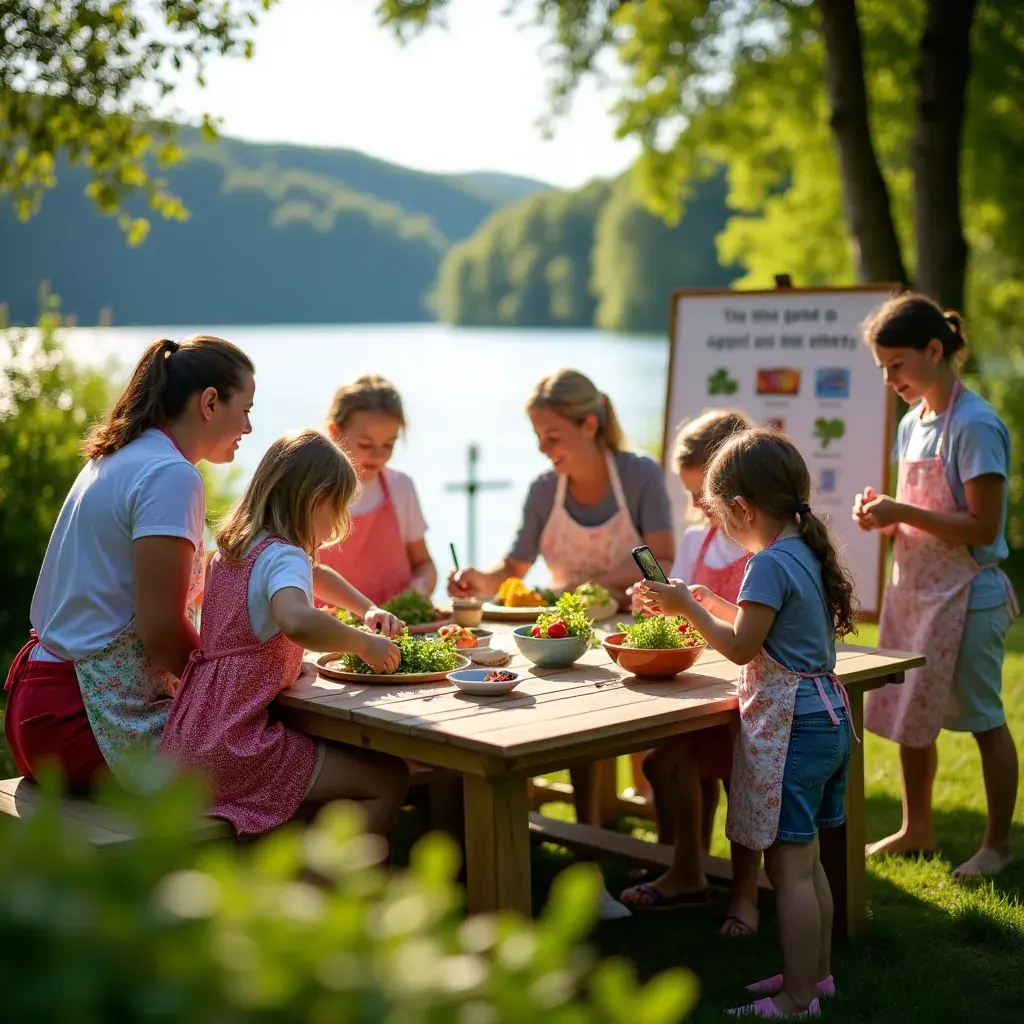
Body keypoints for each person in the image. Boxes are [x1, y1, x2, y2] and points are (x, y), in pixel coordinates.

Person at [638, 428, 857, 1018]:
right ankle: (817, 978)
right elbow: (764, 628)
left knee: (787, 867)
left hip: (793, 727)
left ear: (741, 508)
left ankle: (795, 999)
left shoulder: (766, 564)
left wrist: (685, 609)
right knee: (808, 863)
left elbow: (740, 650)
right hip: (827, 718)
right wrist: (707, 601)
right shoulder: (803, 550)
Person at [449, 368, 675, 920]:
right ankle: (586, 860)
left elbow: (662, 559)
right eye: (538, 438)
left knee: (620, 741)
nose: (544, 449)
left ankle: (615, 853)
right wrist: (480, 579)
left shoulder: (639, 474)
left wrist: (595, 592)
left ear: (590, 424)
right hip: (565, 638)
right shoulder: (544, 489)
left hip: (630, 634)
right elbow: (515, 566)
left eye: (553, 437)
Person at [4, 337, 255, 789]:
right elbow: (160, 628)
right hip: (88, 723)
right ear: (211, 403)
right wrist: (228, 692)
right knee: (283, 768)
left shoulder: (121, 455)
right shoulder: (171, 475)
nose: (250, 428)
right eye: (247, 409)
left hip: (41, 710)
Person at [161, 430, 410, 837]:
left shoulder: (235, 550)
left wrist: (367, 609)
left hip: (191, 739)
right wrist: (363, 642)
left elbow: (314, 576)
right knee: (386, 778)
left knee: (328, 782)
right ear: (314, 499)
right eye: (339, 509)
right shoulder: (284, 556)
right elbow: (296, 619)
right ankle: (331, 894)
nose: (339, 525)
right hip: (234, 747)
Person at [854, 293, 1018, 879]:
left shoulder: (975, 425)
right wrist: (883, 515)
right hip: (915, 589)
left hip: (968, 595)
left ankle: (997, 846)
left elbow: (982, 526)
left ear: (934, 349)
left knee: (982, 717)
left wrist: (903, 510)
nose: (889, 378)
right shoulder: (911, 424)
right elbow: (920, 513)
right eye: (883, 367)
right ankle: (915, 828)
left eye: (897, 364)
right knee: (908, 710)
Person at [620, 409, 763, 938]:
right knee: (663, 764)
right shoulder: (697, 539)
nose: (701, 506)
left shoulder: (762, 547)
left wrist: (692, 607)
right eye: (693, 496)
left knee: (738, 783)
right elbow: (688, 612)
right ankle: (686, 869)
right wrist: (657, 602)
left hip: (749, 695)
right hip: (700, 690)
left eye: (707, 493)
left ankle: (745, 892)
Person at [318, 375, 437, 605]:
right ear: (334, 431)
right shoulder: (311, 491)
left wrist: (419, 589)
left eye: (388, 445)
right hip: (329, 633)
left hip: (396, 630)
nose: (379, 455)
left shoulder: (401, 487)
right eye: (365, 444)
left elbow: (424, 564)